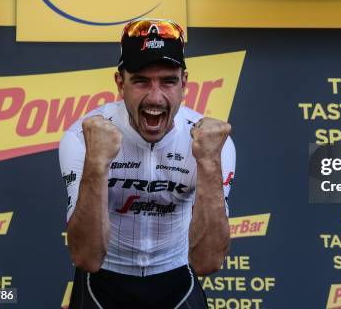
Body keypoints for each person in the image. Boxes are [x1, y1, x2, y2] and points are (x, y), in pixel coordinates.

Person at [59, 19, 235, 308]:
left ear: (184, 84)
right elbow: (86, 258)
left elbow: (207, 261)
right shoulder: (84, 137)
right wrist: (97, 163)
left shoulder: (212, 141)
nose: (155, 97)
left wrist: (209, 163)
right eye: (141, 80)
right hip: (102, 282)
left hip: (176, 281)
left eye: (168, 80)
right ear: (120, 83)